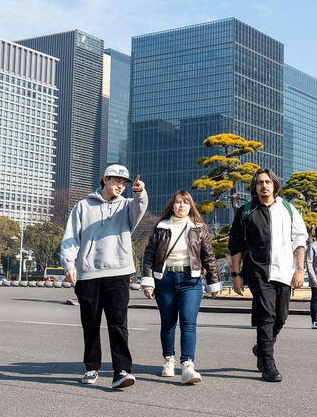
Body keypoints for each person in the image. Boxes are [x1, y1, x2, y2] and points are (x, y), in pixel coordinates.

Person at [61, 164, 148, 389]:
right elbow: (71, 237)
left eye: (125, 182)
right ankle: (92, 367)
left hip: (118, 273)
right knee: (90, 324)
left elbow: (140, 207)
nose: (121, 185)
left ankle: (121, 371)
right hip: (88, 273)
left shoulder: (128, 206)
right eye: (117, 180)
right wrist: (69, 264)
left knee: (119, 324)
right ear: (105, 179)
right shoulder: (83, 206)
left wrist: (139, 192)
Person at [228, 168, 308, 382]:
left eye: (267, 182)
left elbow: (300, 240)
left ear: (274, 185)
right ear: (254, 187)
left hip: (284, 271)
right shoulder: (245, 212)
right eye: (260, 182)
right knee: (267, 316)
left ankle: (261, 347)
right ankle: (268, 365)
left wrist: (299, 270)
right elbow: (236, 246)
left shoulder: (288, 209)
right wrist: (236, 275)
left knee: (281, 316)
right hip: (257, 271)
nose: (264, 185)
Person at [141, 190, 221, 384]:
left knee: (188, 323)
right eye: (177, 202)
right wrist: (148, 281)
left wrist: (213, 281)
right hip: (165, 279)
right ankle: (169, 360)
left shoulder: (199, 228)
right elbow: (149, 255)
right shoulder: (161, 227)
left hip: (190, 280)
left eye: (185, 202)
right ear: (172, 205)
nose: (181, 206)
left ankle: (187, 366)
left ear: (190, 206)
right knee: (168, 324)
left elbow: (208, 256)